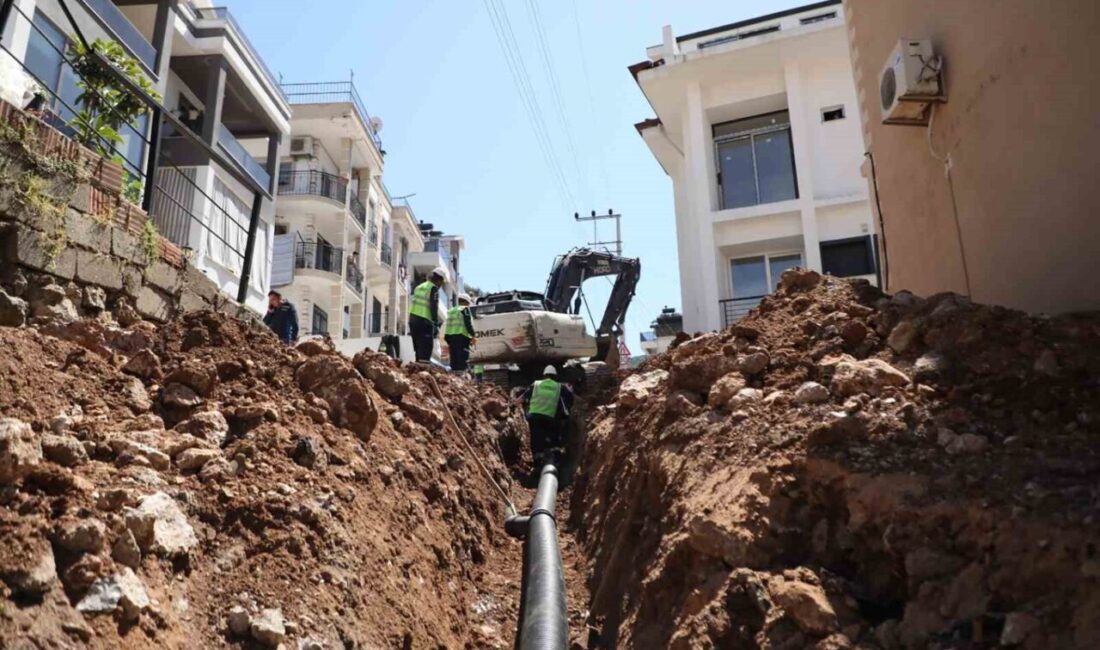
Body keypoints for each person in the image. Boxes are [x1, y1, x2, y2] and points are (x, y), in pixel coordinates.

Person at [521, 366, 574, 466]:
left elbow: (523, 397)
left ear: (544, 375)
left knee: (536, 437)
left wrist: (514, 403)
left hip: (534, 417)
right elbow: (570, 398)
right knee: (554, 435)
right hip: (550, 417)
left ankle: (538, 460)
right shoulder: (559, 386)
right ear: (555, 376)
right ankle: (556, 458)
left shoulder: (536, 384)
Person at [408, 267, 446, 362]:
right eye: (442, 282)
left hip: (413, 320)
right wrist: (436, 325)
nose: (441, 285)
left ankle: (418, 370)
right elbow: (434, 307)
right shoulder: (433, 288)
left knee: (418, 348)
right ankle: (423, 369)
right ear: (439, 279)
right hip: (424, 321)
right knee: (426, 347)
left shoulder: (419, 287)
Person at [444, 293, 476, 374]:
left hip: (450, 337)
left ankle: (455, 375)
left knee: (454, 357)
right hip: (461, 336)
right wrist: (473, 335)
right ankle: (461, 375)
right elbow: (468, 323)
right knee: (462, 357)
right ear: (466, 302)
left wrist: (447, 338)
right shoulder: (464, 309)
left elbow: (447, 325)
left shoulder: (451, 311)